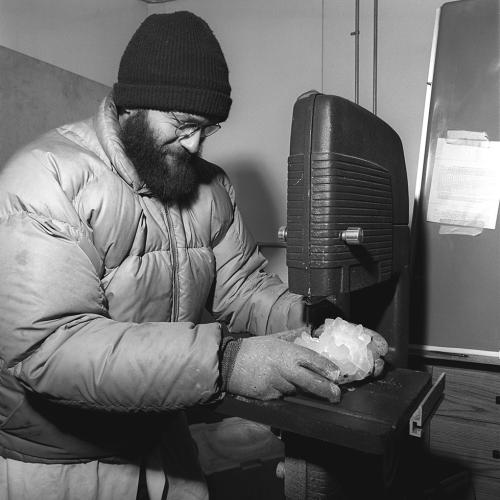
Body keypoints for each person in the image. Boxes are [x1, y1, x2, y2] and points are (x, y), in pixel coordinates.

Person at [0, 11, 386, 500]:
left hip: (165, 445)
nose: (196, 144)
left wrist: (324, 326)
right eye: (184, 125)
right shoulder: (45, 179)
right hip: (63, 467)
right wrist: (225, 361)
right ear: (133, 104)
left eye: (209, 128)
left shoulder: (208, 186)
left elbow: (244, 289)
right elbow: (51, 348)